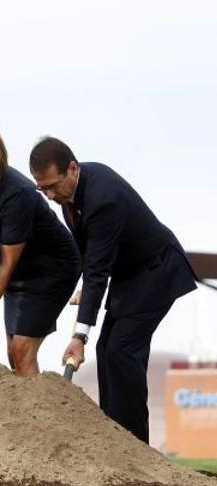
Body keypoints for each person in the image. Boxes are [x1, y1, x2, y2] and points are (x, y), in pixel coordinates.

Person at [29, 136, 196, 443]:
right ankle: (114, 440)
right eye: (43, 189)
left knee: (122, 351)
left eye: (53, 186)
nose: (50, 195)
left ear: (73, 169)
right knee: (106, 350)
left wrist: (78, 336)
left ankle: (134, 445)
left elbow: (97, 269)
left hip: (156, 273)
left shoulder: (103, 199)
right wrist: (85, 291)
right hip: (130, 277)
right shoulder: (71, 196)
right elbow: (89, 254)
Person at [0, 121, 80, 377]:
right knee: (13, 354)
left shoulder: (16, 193)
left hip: (52, 268)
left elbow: (7, 262)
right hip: (18, 269)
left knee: (22, 349)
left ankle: (36, 417)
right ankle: (24, 415)